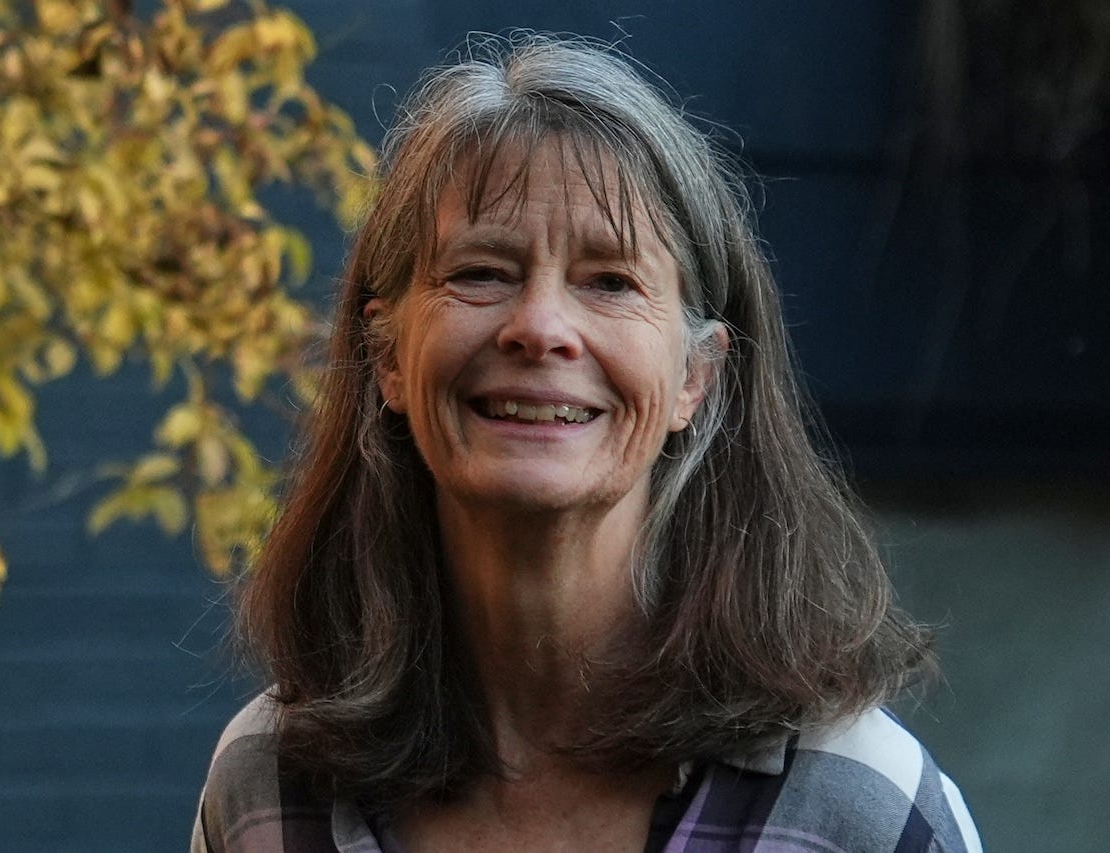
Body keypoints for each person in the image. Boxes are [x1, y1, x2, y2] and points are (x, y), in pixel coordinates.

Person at [191, 34, 982, 853]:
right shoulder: (269, 791)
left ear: (696, 377)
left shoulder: (859, 810)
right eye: (482, 271)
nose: (540, 327)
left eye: (610, 281)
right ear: (388, 355)